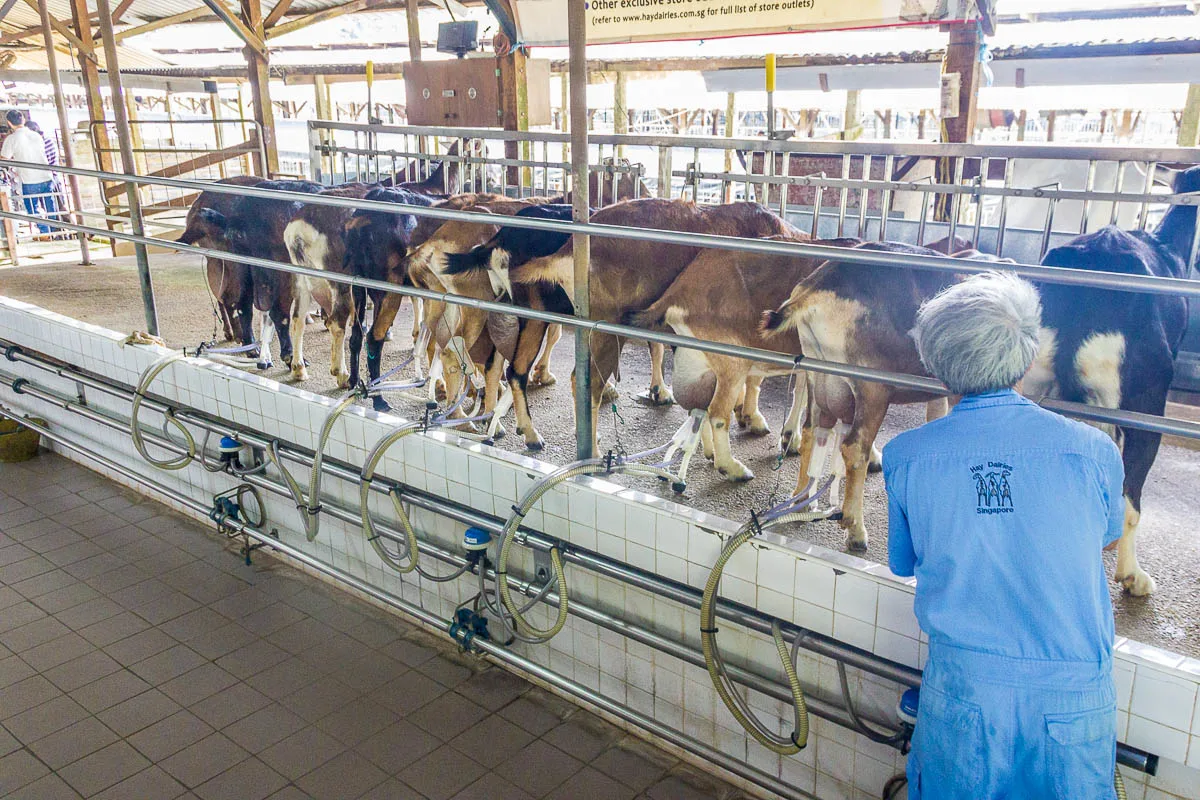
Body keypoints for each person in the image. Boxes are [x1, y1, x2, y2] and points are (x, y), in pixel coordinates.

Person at [883, 271, 1122, 800]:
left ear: (939, 368)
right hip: (1073, 701)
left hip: (963, 697)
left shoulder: (906, 456)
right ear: (1030, 356)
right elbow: (1103, 538)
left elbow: (904, 562)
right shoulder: (1094, 451)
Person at [0, 110, 56, 235]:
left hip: (29, 179)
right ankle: (55, 231)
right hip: (46, 175)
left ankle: (45, 231)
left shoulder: (12, 139)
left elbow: (4, 159)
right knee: (51, 207)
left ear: (9, 122)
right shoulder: (36, 135)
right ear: (23, 120)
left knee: (32, 208)